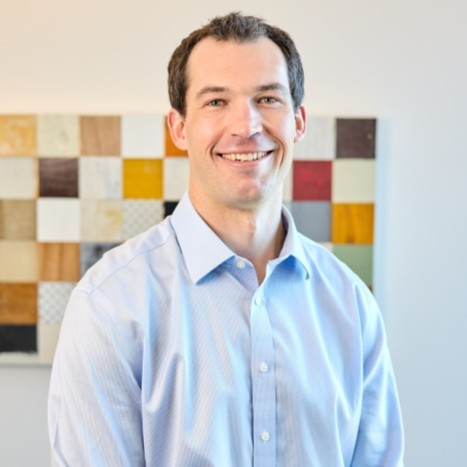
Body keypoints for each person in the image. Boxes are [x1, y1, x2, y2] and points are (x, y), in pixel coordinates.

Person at [48, 12, 404, 466]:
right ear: (179, 128)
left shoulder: (351, 304)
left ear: (298, 121)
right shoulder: (110, 306)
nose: (246, 125)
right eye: (216, 101)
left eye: (268, 98)